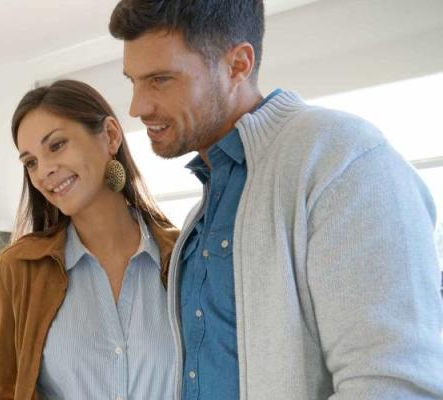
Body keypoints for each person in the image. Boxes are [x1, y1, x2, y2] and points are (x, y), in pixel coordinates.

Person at [108, 1, 443, 399]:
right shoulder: (208, 204)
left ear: (238, 65)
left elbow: (394, 384)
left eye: (160, 80)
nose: (137, 107)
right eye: (133, 81)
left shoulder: (341, 156)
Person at [0, 80, 180, 400]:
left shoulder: (186, 256)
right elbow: (1, 391)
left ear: (111, 136)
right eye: (30, 162)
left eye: (57, 145)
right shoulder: (19, 268)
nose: (44, 169)